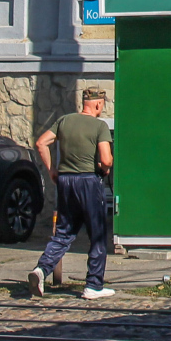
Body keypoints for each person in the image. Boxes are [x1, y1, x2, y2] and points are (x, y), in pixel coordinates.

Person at [29, 88, 114, 300]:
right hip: (88, 182)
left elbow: (41, 143)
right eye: (102, 105)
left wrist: (51, 170)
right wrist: (105, 167)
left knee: (64, 232)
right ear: (97, 104)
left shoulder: (64, 121)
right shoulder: (99, 126)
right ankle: (93, 285)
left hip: (65, 182)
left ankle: (41, 270)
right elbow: (106, 159)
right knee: (97, 234)